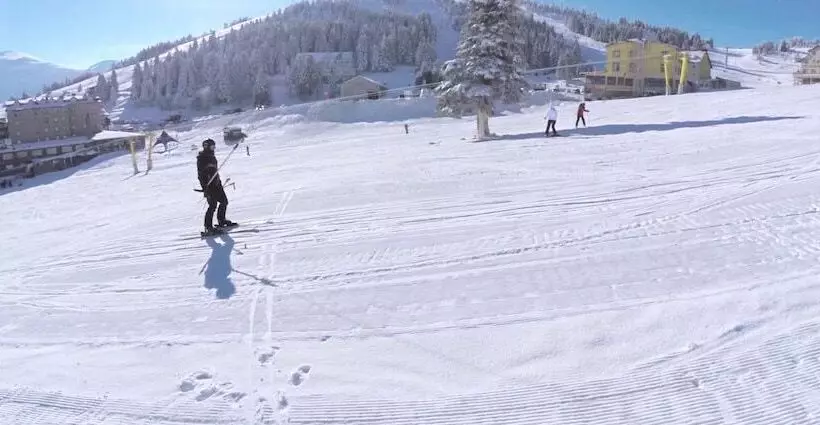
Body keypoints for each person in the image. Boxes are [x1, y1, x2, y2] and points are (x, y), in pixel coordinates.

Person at [197, 138, 235, 233]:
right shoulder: (202, 158)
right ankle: (208, 226)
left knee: (224, 202)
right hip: (209, 186)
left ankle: (222, 220)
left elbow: (214, 170)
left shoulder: (212, 156)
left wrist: (217, 179)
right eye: (212, 146)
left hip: (216, 183)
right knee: (212, 205)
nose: (213, 148)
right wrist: (204, 186)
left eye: (214, 146)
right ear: (207, 147)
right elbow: (201, 174)